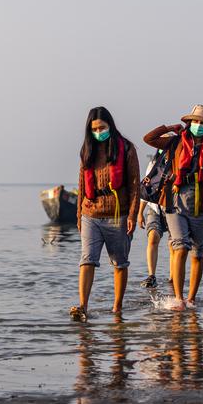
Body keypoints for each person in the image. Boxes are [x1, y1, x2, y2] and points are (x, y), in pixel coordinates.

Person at [144, 105, 203, 310]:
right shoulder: (175, 141)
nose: (199, 126)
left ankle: (191, 298)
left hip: (201, 205)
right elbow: (148, 139)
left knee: (198, 251)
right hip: (174, 201)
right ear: (189, 123)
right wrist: (168, 127)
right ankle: (178, 297)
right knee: (180, 246)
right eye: (195, 122)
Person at [71, 107, 140, 322]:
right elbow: (81, 184)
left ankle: (116, 308)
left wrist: (132, 215)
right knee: (87, 260)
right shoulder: (87, 150)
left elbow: (135, 185)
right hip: (90, 213)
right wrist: (78, 215)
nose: (98, 132)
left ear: (110, 125)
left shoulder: (126, 149)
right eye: (94, 129)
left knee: (119, 263)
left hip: (117, 215)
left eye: (102, 128)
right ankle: (83, 306)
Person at [138, 152, 168, 289]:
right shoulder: (153, 164)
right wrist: (139, 213)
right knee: (152, 237)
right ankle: (152, 275)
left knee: (174, 245)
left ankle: (173, 279)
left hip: (172, 208)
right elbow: (146, 188)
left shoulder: (179, 160)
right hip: (154, 208)